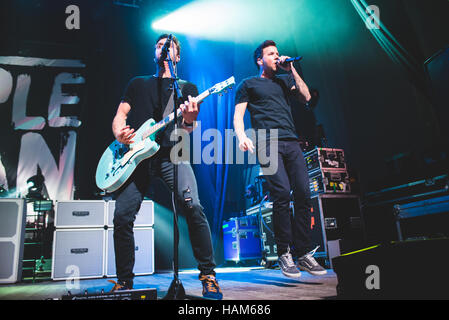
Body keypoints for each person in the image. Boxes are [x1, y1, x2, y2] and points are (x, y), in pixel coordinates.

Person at [110, 34, 223, 299]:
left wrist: (190, 119)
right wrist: (119, 133)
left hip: (172, 155)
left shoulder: (186, 88)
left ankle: (208, 274)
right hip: (136, 158)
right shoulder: (137, 84)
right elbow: (120, 115)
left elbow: (187, 130)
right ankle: (124, 282)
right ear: (154, 53)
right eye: (160, 45)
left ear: (177, 56)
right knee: (122, 216)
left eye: (169, 46)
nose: (163, 49)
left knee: (193, 206)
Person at [233, 40, 327, 278]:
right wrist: (242, 136)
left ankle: (304, 253)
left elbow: (306, 98)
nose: (276, 56)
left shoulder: (284, 82)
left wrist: (291, 69)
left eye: (277, 53)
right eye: (271, 54)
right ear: (259, 59)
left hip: (291, 141)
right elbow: (238, 115)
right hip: (267, 142)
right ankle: (285, 252)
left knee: (304, 193)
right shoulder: (249, 84)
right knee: (282, 193)